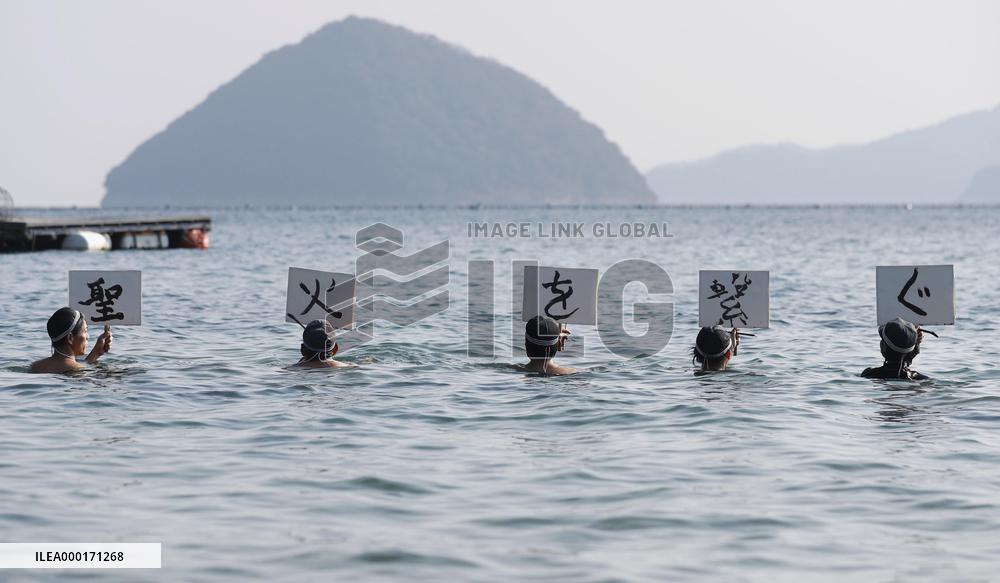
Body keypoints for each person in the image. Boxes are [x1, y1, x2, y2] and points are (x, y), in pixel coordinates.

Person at [29, 307, 113, 374]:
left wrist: (96, 353)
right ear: (70, 338)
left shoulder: (35, 366)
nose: (88, 337)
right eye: (85, 331)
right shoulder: (79, 371)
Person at [862, 317, 928, 380]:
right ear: (913, 351)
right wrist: (916, 345)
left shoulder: (868, 374)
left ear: (883, 347)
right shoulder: (920, 378)